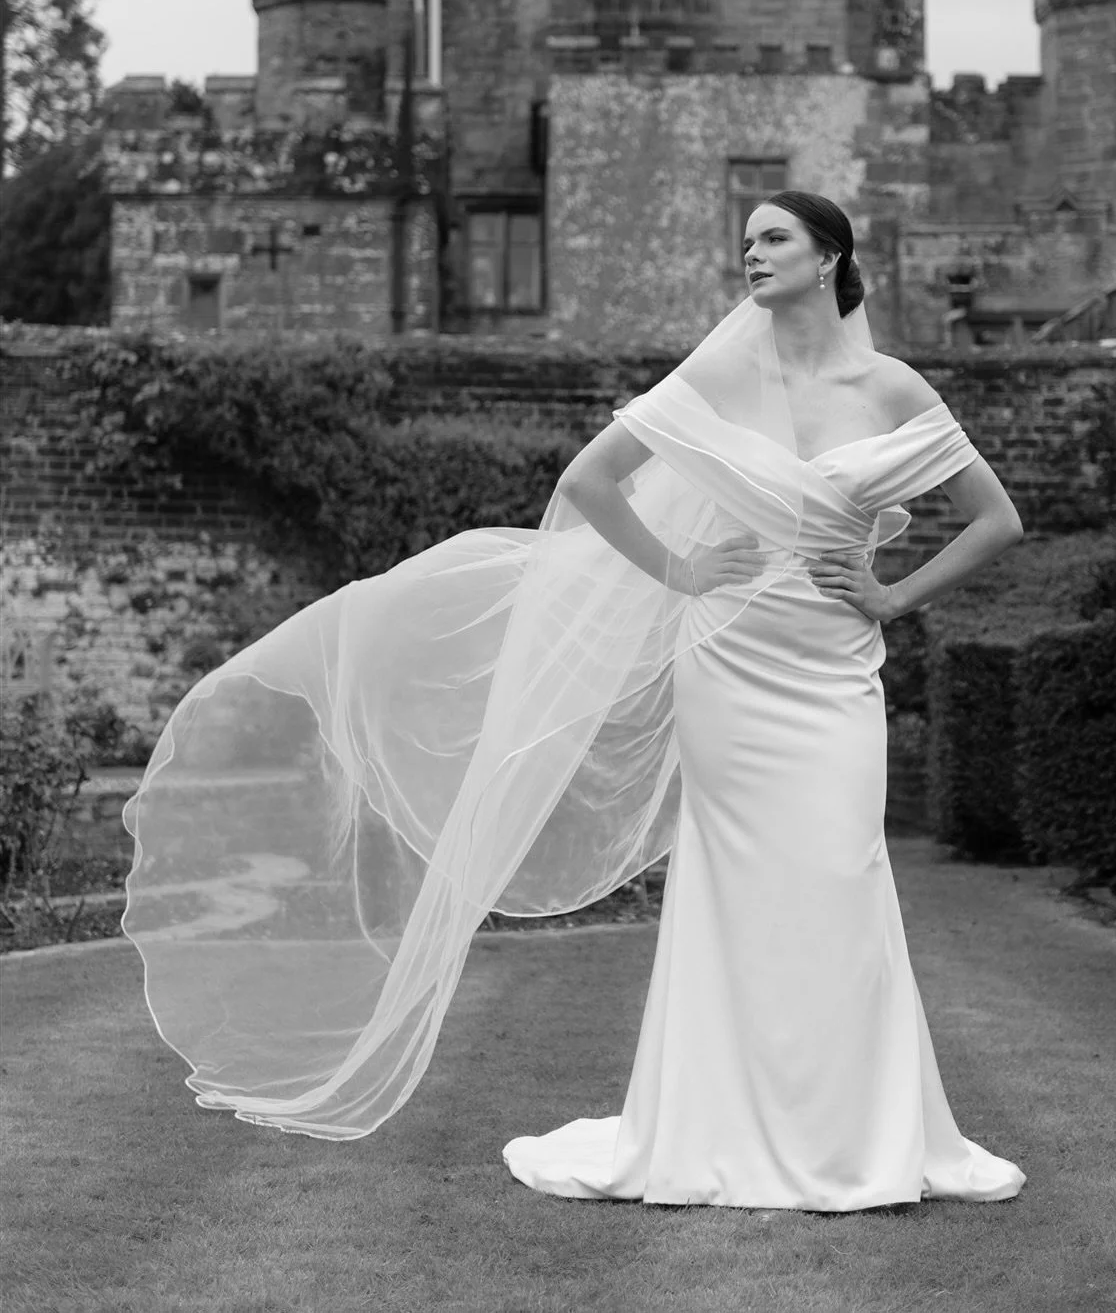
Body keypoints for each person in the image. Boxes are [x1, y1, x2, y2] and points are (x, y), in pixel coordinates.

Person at [121, 189, 1025, 1211]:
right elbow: (592, 482)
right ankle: (720, 1125)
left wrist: (893, 594)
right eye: (743, 240)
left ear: (828, 257)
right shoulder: (723, 371)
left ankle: (859, 1129)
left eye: (772, 237)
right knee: (735, 894)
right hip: (726, 664)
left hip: (832, 670)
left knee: (843, 872)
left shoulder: (891, 387)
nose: (750, 253)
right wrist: (681, 569)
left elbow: (994, 518)